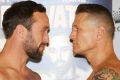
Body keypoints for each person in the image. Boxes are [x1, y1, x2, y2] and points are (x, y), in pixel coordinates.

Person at [0, 1, 50, 80]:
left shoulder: (35, 77)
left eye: (47, 32)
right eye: (42, 31)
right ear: (21, 32)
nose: (47, 40)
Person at [70, 4, 120, 80]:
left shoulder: (107, 75)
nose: (71, 36)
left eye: (77, 29)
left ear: (99, 33)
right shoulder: (102, 72)